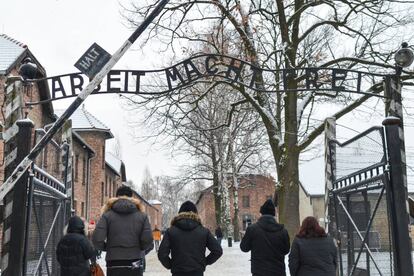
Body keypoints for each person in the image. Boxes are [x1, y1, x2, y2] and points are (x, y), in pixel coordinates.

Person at [92, 186, 153, 276]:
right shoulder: (142, 216)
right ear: (132, 198)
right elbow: (147, 240)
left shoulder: (107, 215)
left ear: (116, 197)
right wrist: (139, 248)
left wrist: (108, 247)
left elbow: (97, 239)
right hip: (135, 261)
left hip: (114, 262)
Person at [158, 200, 223, 276]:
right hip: (197, 272)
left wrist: (171, 265)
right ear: (196, 214)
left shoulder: (170, 231)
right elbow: (217, 251)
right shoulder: (204, 231)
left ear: (179, 214)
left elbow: (162, 254)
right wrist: (204, 262)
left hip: (178, 272)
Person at [240, 199, 290, 276]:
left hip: (259, 271)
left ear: (261, 213)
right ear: (273, 214)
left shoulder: (252, 229)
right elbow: (286, 250)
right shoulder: (283, 231)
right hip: (278, 271)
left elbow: (244, 248)